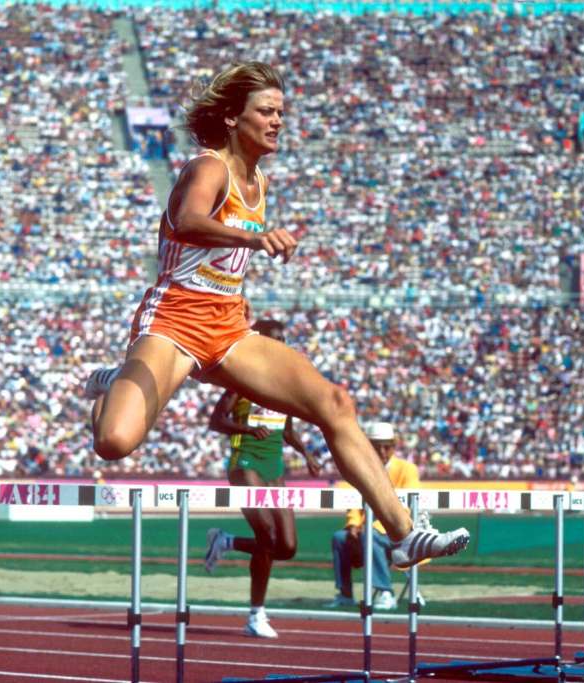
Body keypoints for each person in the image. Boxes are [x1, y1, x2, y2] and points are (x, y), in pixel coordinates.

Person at [82, 61, 469, 573]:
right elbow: (187, 221)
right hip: (175, 322)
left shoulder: (259, 179)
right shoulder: (208, 168)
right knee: (114, 442)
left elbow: (218, 261)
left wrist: (239, 283)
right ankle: (116, 381)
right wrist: (253, 237)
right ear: (231, 118)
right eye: (266, 111)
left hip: (227, 326)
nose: (277, 121)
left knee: (334, 403)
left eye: (280, 112)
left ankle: (403, 535)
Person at [203, 318, 321, 638]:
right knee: (267, 534)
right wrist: (246, 429)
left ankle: (226, 541)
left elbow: (288, 430)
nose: (280, 345)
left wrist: (307, 455)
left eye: (283, 340)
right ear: (259, 341)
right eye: (274, 339)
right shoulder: (241, 381)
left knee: (287, 546)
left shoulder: (285, 385)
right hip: (245, 463)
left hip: (274, 467)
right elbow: (216, 421)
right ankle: (256, 615)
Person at [326, 421, 422, 610]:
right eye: (377, 447)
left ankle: (385, 592)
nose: (383, 452)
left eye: (387, 447)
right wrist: (353, 525)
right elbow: (354, 501)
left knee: (371, 535)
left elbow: (407, 507)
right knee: (339, 538)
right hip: (367, 530)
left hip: (399, 533)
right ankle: (345, 593)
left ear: (394, 446)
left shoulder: (407, 469)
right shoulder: (360, 468)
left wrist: (370, 527)